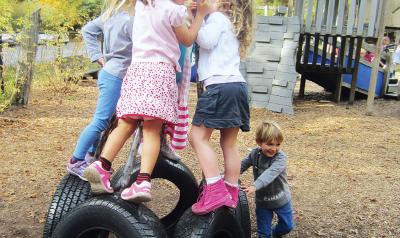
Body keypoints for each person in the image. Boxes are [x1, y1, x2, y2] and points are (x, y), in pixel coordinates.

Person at [84, 0, 213, 201]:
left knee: (125, 124)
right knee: (152, 130)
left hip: (136, 71)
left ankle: (101, 165)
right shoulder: (174, 10)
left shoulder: (142, 5)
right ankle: (143, 182)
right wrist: (200, 15)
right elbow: (187, 40)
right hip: (160, 72)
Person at [190, 0, 254, 215]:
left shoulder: (217, 18)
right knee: (229, 142)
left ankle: (215, 188)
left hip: (219, 86)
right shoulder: (234, 23)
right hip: (237, 86)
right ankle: (230, 189)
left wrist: (196, 17)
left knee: (197, 137)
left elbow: (205, 41)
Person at [66, 0, 135, 181]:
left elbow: (88, 29)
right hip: (116, 76)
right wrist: (97, 55)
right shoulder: (131, 20)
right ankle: (76, 161)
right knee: (101, 121)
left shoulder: (111, 15)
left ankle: (90, 156)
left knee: (106, 121)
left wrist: (98, 56)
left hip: (109, 73)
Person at [241, 121, 294, 238]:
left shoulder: (280, 158)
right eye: (270, 144)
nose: (274, 148)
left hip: (281, 200)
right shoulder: (255, 154)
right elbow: (242, 165)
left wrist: (254, 186)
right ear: (259, 142)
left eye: (278, 144)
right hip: (263, 202)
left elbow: (269, 174)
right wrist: (227, 175)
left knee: (287, 226)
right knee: (263, 233)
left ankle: (275, 232)